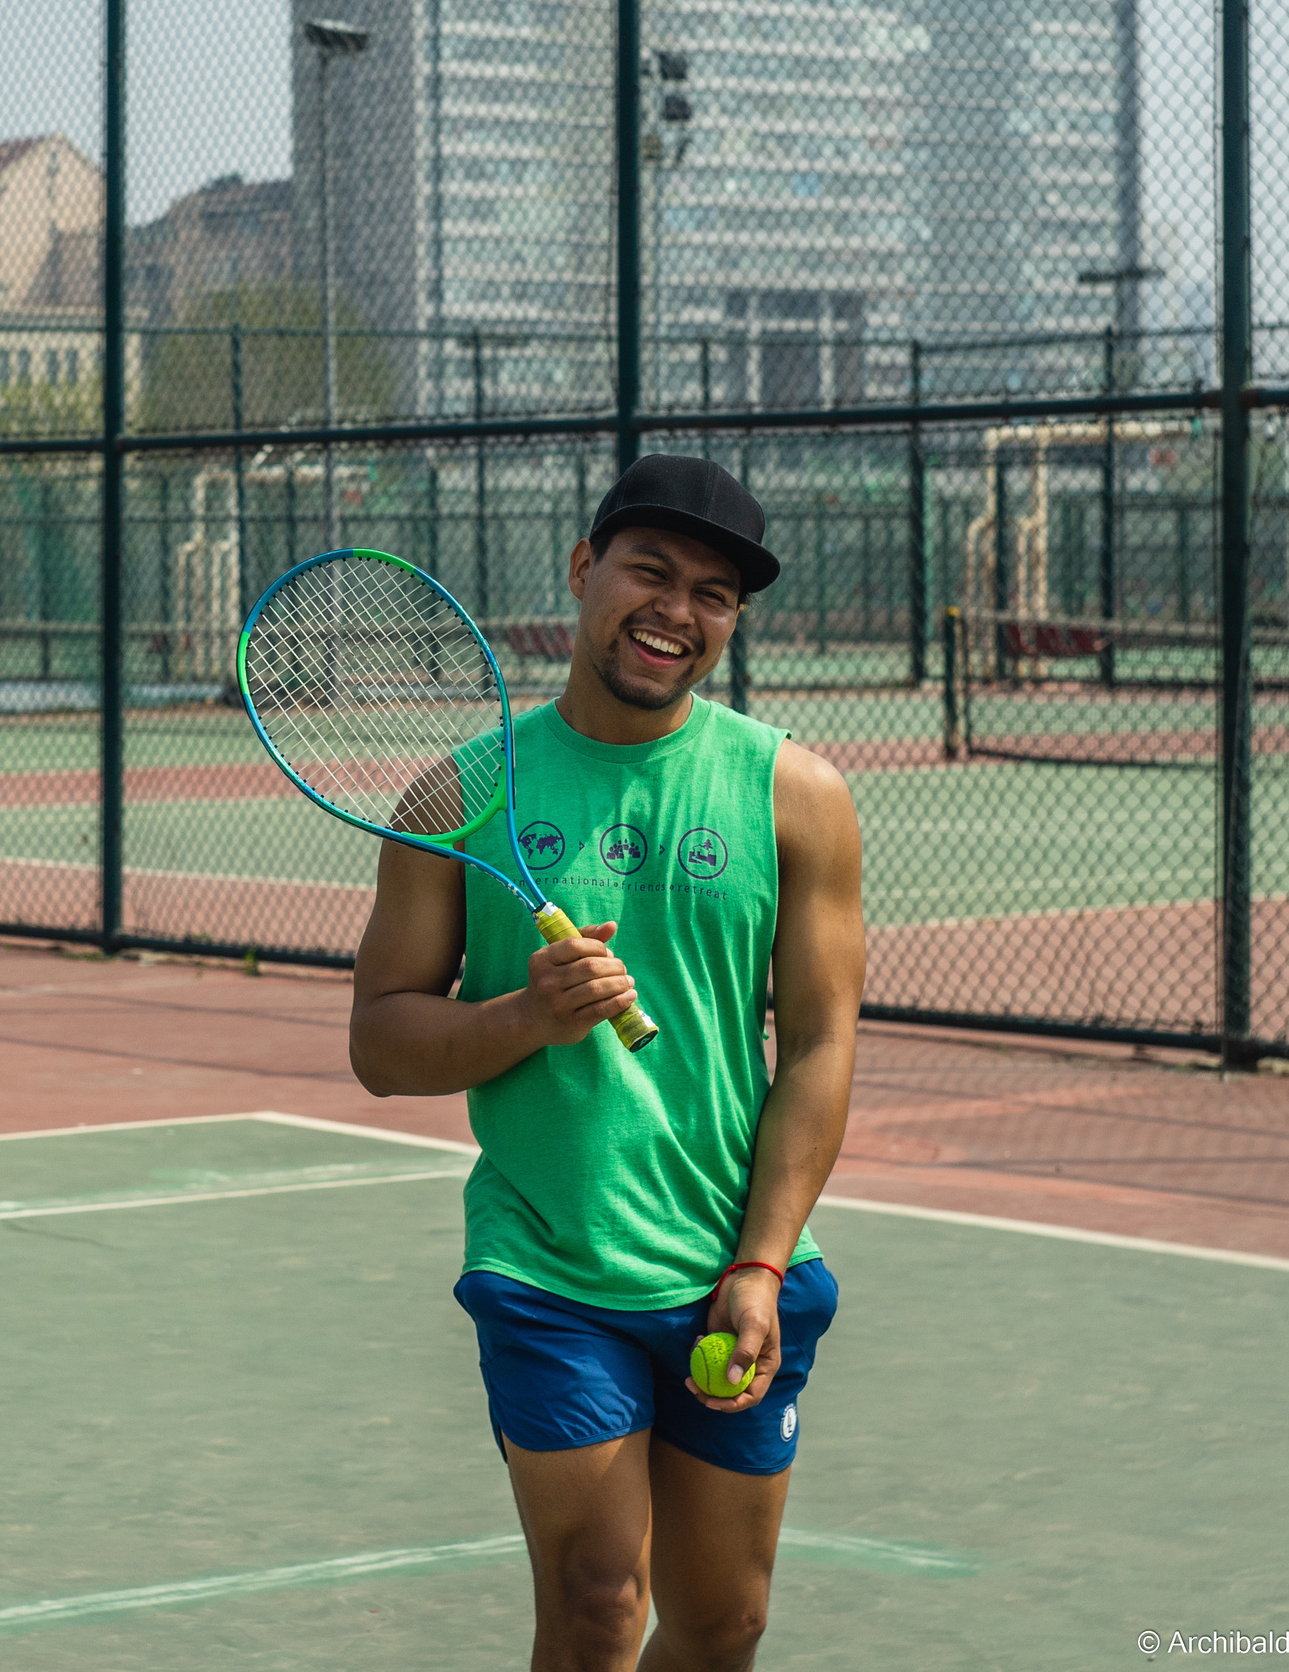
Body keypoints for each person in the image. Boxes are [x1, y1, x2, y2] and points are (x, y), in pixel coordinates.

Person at [350, 453, 865, 1672]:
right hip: (548, 1267)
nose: (675, 611)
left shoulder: (796, 795)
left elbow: (820, 1045)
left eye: (713, 595)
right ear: (585, 570)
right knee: (593, 1606)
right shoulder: (458, 795)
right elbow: (380, 1043)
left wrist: (759, 1262)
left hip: (732, 1264)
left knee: (722, 1627)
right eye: (650, 572)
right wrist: (523, 1018)